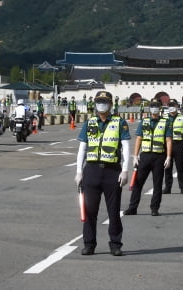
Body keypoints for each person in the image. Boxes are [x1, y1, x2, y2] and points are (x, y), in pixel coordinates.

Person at [74, 91, 130, 256]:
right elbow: (82, 148)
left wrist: (125, 170)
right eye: (99, 101)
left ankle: (115, 244)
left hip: (112, 171)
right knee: (90, 210)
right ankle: (89, 244)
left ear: (111, 104)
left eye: (104, 101)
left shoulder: (120, 123)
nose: (101, 104)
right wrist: (79, 172)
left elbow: (126, 147)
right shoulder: (89, 123)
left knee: (113, 211)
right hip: (91, 170)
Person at [124, 100, 172, 216]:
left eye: (157, 106)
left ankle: (154, 208)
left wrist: (169, 157)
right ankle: (132, 208)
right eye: (152, 106)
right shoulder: (144, 121)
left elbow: (169, 140)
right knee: (138, 183)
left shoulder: (166, 122)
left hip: (159, 156)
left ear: (160, 108)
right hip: (145, 156)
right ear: (149, 108)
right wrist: (135, 156)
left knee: (157, 184)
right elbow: (139, 139)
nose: (154, 108)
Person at [163, 100, 183, 195]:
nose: (172, 107)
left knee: (180, 167)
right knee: (167, 167)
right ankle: (167, 188)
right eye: (170, 105)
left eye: (173, 105)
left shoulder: (181, 117)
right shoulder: (164, 117)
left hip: (178, 144)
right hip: (166, 145)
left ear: (177, 106)